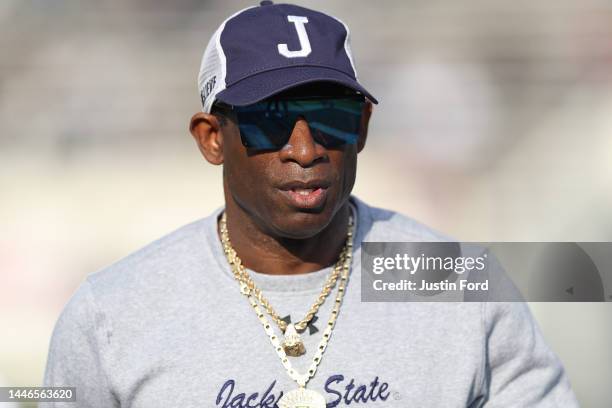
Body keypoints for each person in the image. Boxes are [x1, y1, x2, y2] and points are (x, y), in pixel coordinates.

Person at [43, 2, 579, 407]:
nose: (304, 150)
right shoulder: (114, 313)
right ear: (211, 138)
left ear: (362, 127)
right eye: (271, 120)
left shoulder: (455, 280)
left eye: (331, 116)